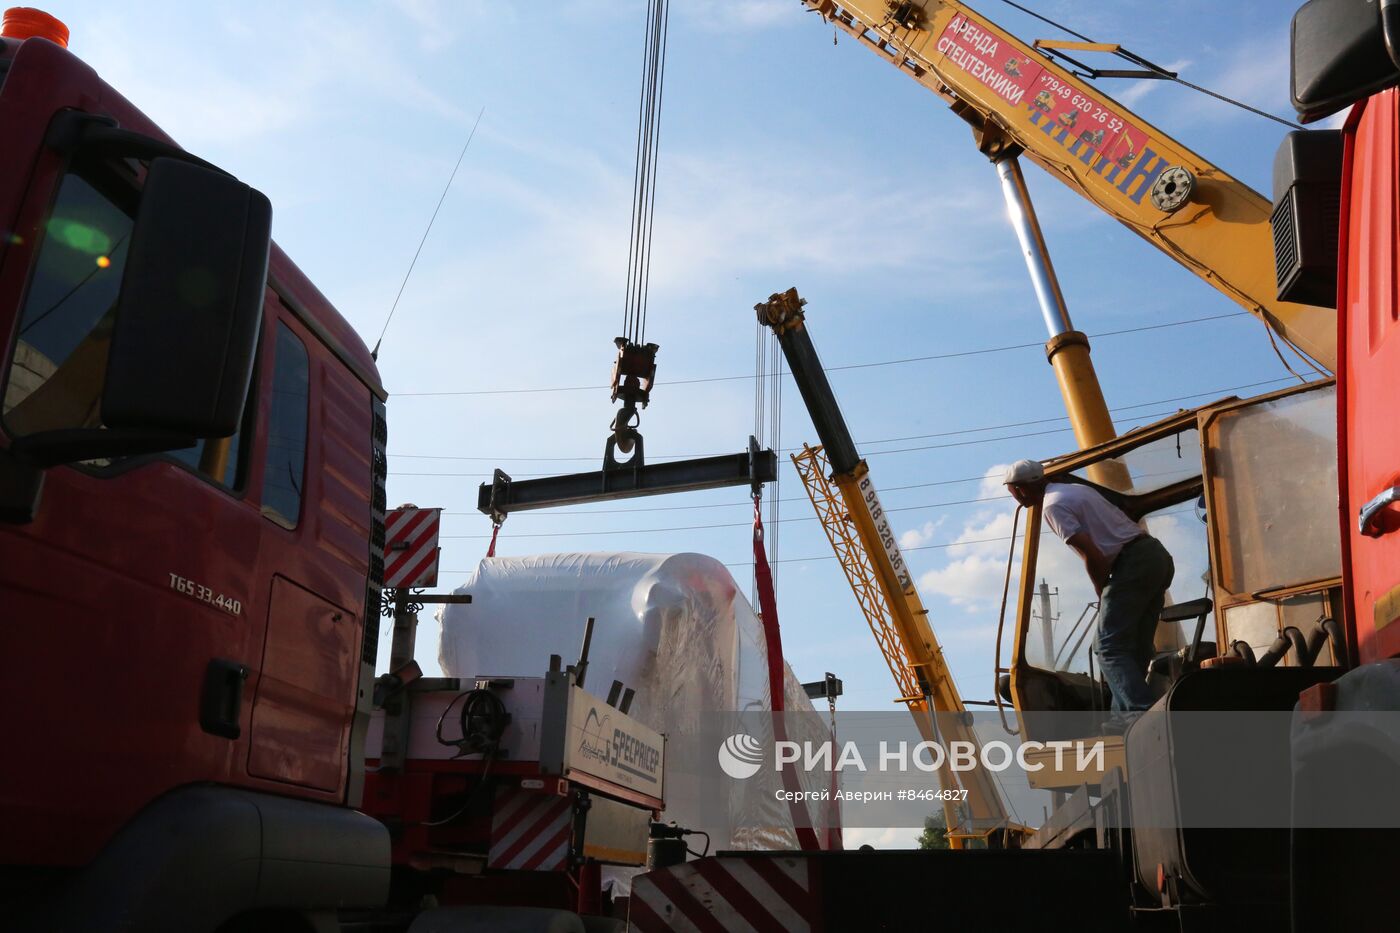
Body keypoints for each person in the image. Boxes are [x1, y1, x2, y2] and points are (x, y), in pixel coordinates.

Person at [1003, 459, 1174, 725]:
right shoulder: (1076, 490)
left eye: (1011, 491)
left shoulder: (1052, 506)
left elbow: (1091, 553)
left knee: (1107, 647)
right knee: (1135, 645)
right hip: (1155, 556)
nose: (1012, 496)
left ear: (1020, 489)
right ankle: (1121, 718)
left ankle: (1141, 714)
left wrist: (1101, 588)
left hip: (1131, 563)